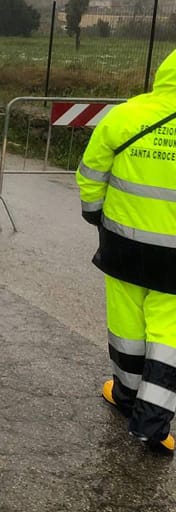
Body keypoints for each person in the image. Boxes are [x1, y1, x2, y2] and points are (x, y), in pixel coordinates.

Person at [76, 47, 176, 453]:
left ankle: (125, 395)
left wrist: (94, 214)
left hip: (121, 242)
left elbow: (91, 171)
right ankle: (153, 421)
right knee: (169, 334)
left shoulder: (125, 114)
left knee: (126, 325)